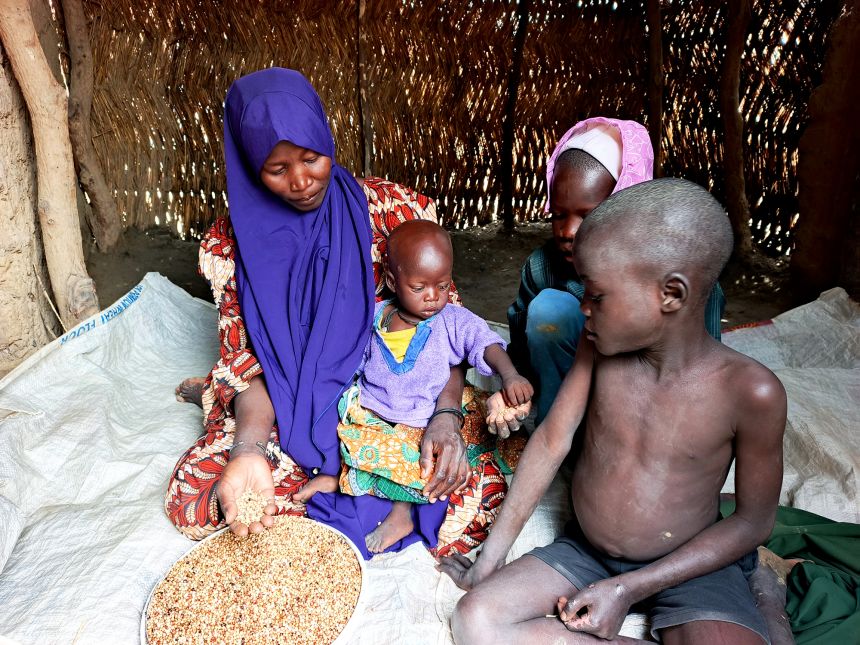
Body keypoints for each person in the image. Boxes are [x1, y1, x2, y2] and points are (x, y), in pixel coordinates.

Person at [164, 68, 516, 560]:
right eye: (276, 168)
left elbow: (443, 329)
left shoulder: (391, 210)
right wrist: (248, 451)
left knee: (472, 494)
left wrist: (445, 416)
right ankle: (355, 490)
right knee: (196, 502)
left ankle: (365, 495)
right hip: (285, 412)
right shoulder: (231, 246)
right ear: (248, 165)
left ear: (328, 139)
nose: (302, 180)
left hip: (400, 402)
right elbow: (250, 369)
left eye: (312, 158)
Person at [439, 178, 788, 644]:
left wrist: (627, 589)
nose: (582, 309)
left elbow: (754, 521)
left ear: (672, 294)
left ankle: (766, 598)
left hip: (691, 565)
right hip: (588, 551)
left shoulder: (751, 391)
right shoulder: (597, 346)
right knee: (475, 621)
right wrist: (489, 560)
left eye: (596, 296)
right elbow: (550, 440)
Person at [293, 220, 533, 553]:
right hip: (379, 416)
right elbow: (347, 363)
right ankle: (345, 477)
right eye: (420, 287)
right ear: (392, 280)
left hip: (429, 417)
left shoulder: (451, 320)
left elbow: (485, 342)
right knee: (353, 439)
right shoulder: (373, 319)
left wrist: (509, 375)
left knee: (440, 460)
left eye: (443, 285)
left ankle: (401, 511)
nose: (433, 297)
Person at [506, 118, 726, 423]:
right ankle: (560, 426)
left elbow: (705, 362)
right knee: (548, 313)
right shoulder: (543, 267)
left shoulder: (679, 276)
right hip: (570, 402)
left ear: (626, 208)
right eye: (557, 215)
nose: (568, 231)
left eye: (588, 215)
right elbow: (521, 346)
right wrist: (511, 384)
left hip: (652, 411)